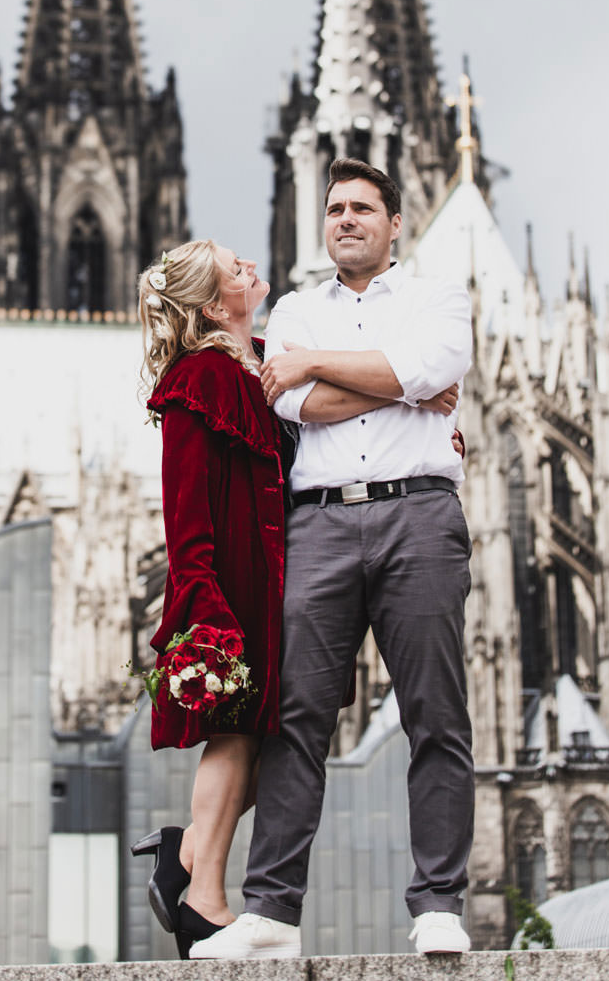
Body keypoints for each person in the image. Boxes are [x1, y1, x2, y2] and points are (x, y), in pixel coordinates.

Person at [131, 235, 461, 958]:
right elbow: (184, 507)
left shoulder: (251, 362)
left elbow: (317, 409)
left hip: (282, 572)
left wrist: (414, 403)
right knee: (241, 732)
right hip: (233, 581)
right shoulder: (205, 377)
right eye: (235, 267)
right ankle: (206, 894)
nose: (253, 263)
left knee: (272, 735)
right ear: (218, 302)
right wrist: (201, 598)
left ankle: (187, 855)